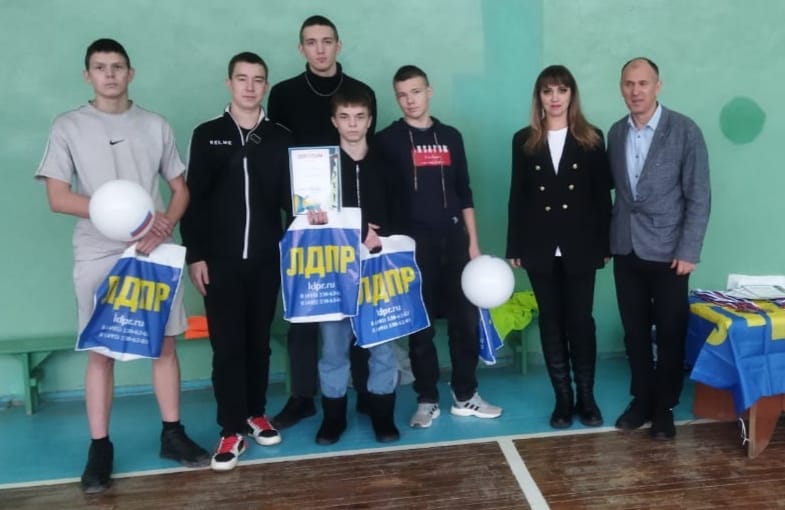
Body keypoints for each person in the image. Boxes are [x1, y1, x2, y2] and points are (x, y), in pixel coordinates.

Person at [35, 38, 209, 494]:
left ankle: (172, 433)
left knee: (164, 344)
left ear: (130, 74)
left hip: (152, 252)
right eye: (100, 67)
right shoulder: (68, 125)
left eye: (117, 67)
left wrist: (164, 222)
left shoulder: (155, 125)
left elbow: (180, 189)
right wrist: (120, 216)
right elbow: (58, 197)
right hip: (97, 251)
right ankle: (100, 448)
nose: (109, 74)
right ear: (87, 75)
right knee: (102, 351)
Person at [180, 52, 292, 471]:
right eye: (242, 78)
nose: (249, 86)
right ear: (229, 83)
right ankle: (230, 429)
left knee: (258, 343)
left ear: (265, 86)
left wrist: (312, 219)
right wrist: (196, 255)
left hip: (266, 259)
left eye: (257, 79)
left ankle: (255, 413)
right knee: (227, 347)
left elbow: (293, 200)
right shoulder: (207, 134)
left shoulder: (280, 136)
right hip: (220, 261)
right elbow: (193, 199)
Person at [375, 65, 502, 428]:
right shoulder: (386, 141)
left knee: (465, 322)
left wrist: (473, 244)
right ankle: (427, 399)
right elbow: (378, 195)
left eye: (415, 92)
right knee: (421, 328)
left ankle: (466, 395)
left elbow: (465, 192)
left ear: (428, 92)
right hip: (414, 250)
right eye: (402, 95)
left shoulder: (451, 136)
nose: (409, 101)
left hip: (456, 244)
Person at [267, 14, 378, 430]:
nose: (319, 49)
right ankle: (302, 397)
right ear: (302, 48)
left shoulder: (361, 93)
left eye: (326, 41)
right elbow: (279, 155)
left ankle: (364, 391)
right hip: (304, 217)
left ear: (338, 45)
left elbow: (367, 158)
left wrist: (366, 219)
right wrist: (296, 209)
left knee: (357, 301)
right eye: (311, 42)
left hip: (353, 219)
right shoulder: (284, 94)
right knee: (305, 309)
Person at [608, 57, 711, 440]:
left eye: (643, 83)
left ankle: (664, 406)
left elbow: (699, 196)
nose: (635, 91)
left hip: (671, 252)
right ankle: (641, 400)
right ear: (622, 88)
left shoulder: (685, 130)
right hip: (626, 248)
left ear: (657, 86)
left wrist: (689, 250)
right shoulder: (616, 132)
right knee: (634, 332)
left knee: (669, 331)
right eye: (628, 84)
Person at [506, 65, 612, 429]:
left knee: (581, 322)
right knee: (551, 323)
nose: (554, 98)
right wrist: (514, 245)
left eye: (561, 90)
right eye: (547, 91)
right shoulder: (523, 140)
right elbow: (517, 196)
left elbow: (602, 197)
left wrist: (605, 244)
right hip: (538, 245)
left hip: (581, 244)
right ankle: (563, 400)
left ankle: (587, 398)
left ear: (571, 95)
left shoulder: (591, 138)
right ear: (538, 96)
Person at [309, 86, 400, 445]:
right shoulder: (319, 167)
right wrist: (356, 229)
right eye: (344, 117)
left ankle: (382, 416)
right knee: (333, 348)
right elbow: (310, 215)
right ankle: (333, 419)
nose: (352, 124)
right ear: (334, 121)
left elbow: (400, 211)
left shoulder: (386, 162)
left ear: (369, 120)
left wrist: (383, 236)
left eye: (359, 117)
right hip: (334, 268)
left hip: (379, 265)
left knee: (382, 345)